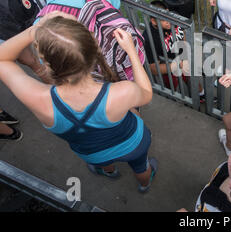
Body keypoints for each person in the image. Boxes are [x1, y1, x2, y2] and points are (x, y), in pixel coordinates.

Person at [0, 14, 157, 192]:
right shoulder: (122, 92)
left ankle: (110, 172)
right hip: (133, 144)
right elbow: (146, 94)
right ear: (93, 51)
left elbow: (2, 58)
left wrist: (35, 31)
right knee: (141, 167)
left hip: (93, 154)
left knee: (104, 161)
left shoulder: (38, 99)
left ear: (47, 63)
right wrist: (131, 52)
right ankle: (145, 185)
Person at [144, 0, 187, 89]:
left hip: (184, 59)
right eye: (163, 19)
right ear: (154, 21)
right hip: (168, 67)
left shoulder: (174, 16)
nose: (168, 21)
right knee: (172, 87)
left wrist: (185, 52)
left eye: (167, 15)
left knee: (194, 82)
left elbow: (183, 32)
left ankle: (201, 95)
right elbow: (153, 69)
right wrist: (177, 65)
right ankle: (176, 100)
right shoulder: (149, 38)